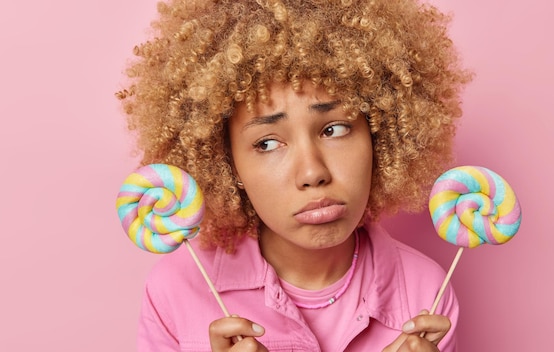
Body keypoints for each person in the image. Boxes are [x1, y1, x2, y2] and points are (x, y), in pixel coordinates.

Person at [117, 0, 472, 350]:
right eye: (268, 143)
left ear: (379, 135)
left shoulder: (426, 296)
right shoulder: (176, 289)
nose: (312, 172)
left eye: (334, 129)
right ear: (227, 163)